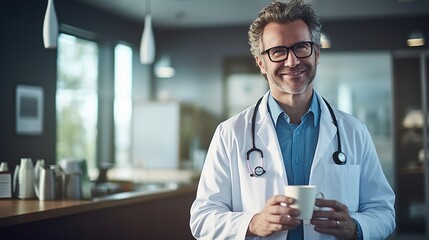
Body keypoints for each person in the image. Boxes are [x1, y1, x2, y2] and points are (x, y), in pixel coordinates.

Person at [189, 0, 396, 239]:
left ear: (316, 53)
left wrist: (356, 227)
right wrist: (253, 223)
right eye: (278, 51)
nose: (292, 61)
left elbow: (383, 211)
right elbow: (202, 219)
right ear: (261, 63)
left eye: (301, 47)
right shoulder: (230, 133)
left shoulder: (353, 131)